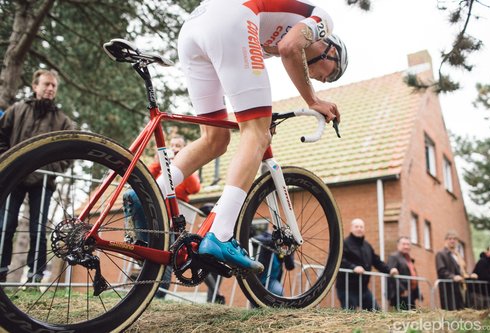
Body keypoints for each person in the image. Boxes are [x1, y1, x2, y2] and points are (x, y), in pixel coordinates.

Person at [162, 0, 348, 273]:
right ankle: (221, 234)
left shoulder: (273, 36)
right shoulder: (323, 20)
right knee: (256, 134)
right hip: (232, 18)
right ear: (331, 50)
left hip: (194, 28)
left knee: (215, 139)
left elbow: (250, 70)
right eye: (332, 74)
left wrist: (256, 122)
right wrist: (313, 100)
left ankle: (149, 193)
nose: (323, 80)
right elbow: (290, 49)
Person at [0, 69, 74, 283]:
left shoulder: (62, 120)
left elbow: (71, 151)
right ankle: (1, 271)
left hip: (43, 181)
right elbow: (2, 136)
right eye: (46, 84)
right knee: (6, 224)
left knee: (38, 229)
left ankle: (35, 275)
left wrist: (51, 167)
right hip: (14, 177)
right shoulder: (17, 110)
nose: (50, 88)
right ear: (35, 86)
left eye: (54, 86)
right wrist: (9, 161)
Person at [123, 135, 201, 298]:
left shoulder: (186, 172)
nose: (174, 148)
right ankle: (146, 291)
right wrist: (162, 162)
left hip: (172, 222)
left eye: (178, 145)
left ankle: (160, 294)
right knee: (150, 251)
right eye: (172, 145)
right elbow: (147, 176)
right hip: (154, 217)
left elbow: (194, 188)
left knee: (167, 255)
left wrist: (182, 162)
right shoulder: (160, 168)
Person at [335, 218, 398, 310]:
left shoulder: (367, 245)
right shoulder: (344, 244)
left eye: (361, 227)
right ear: (351, 228)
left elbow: (376, 261)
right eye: (356, 226)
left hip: (363, 288)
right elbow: (340, 260)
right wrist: (353, 267)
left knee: (376, 312)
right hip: (347, 288)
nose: (359, 229)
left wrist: (389, 270)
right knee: (350, 315)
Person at [435, 230, 477, 310]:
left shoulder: (458, 255)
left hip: (460, 288)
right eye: (450, 238)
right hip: (449, 289)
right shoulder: (441, 254)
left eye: (454, 239)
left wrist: (470, 275)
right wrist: (453, 277)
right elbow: (441, 270)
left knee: (462, 312)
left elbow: (462, 271)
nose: (452, 241)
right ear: (445, 240)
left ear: (457, 241)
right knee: (451, 313)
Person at [254, 231, 295, 296]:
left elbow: (290, 266)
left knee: (279, 291)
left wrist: (288, 251)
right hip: (259, 278)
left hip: (272, 281)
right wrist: (277, 242)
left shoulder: (286, 248)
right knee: (256, 297)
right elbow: (256, 239)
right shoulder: (267, 235)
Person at [387, 236, 422, 310]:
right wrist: (402, 290)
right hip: (401, 294)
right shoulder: (394, 257)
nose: (406, 246)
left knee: (412, 317)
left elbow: (413, 276)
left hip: (410, 292)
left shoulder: (408, 258)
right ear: (398, 245)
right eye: (404, 244)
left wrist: (417, 292)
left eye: (408, 244)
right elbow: (391, 275)